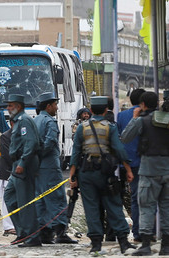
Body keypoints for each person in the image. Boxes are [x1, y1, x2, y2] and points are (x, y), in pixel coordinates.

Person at [69, 96, 136, 254]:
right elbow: (119, 149)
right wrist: (128, 169)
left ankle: (96, 244)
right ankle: (124, 242)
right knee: (113, 205)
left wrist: (72, 175)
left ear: (91, 111)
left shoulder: (82, 128)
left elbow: (76, 153)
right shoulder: (110, 127)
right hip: (106, 173)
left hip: (86, 174)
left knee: (91, 207)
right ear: (106, 110)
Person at [121, 91, 169, 256]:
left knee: (147, 207)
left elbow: (125, 137)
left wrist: (135, 117)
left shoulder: (143, 121)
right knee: (166, 207)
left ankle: (146, 245)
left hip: (149, 171)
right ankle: (166, 246)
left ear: (142, 105)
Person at [34, 92, 77, 244]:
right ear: (48, 106)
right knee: (57, 198)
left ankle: (44, 233)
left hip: (38, 168)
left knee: (41, 199)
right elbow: (51, 142)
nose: (57, 108)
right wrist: (41, 154)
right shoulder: (49, 121)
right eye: (55, 105)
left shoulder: (35, 120)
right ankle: (60, 232)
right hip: (50, 167)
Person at [4, 94, 42, 247]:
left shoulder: (24, 120)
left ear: (18, 107)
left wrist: (23, 163)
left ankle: (32, 236)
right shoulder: (18, 121)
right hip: (17, 166)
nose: (7, 108)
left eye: (10, 105)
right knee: (10, 198)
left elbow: (31, 143)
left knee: (25, 203)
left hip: (23, 165)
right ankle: (22, 232)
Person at [117, 88, 146, 242]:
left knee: (135, 198)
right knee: (151, 199)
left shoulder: (122, 116)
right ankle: (151, 231)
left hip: (129, 164)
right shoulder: (148, 115)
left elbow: (119, 140)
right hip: (147, 163)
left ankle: (137, 233)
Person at [0, 119, 16, 236]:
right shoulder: (5, 136)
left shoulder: (22, 135)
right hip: (8, 173)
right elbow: (8, 155)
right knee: (7, 200)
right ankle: (8, 226)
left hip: (18, 173)